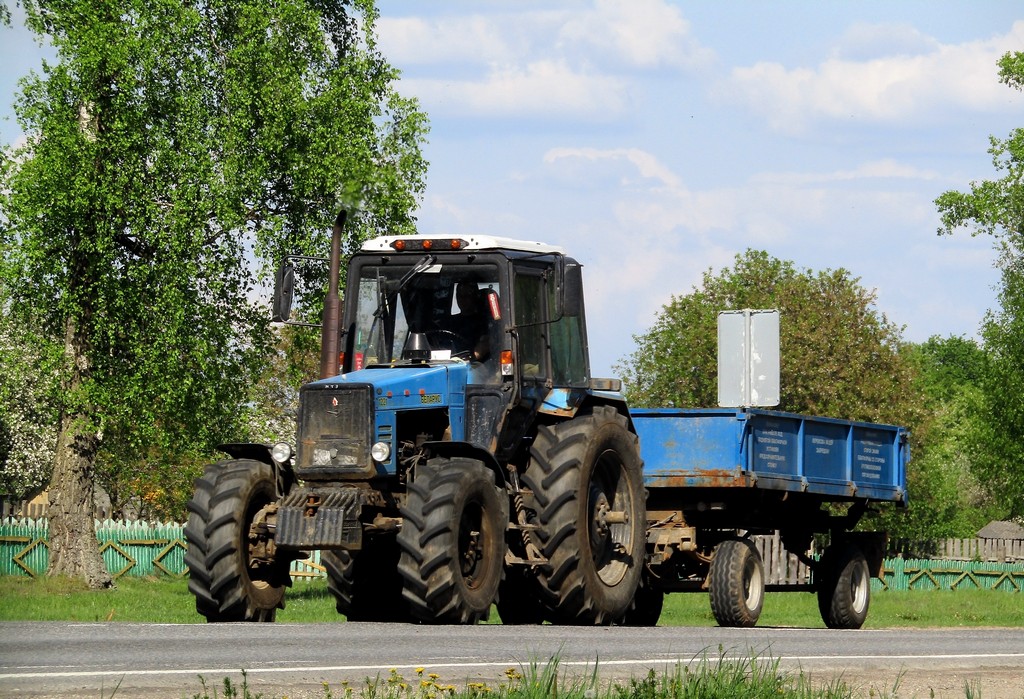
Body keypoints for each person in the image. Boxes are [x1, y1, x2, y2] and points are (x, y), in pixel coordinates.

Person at [452, 281, 493, 362]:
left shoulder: (484, 321)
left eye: (467, 296)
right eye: (460, 295)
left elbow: (486, 343)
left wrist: (472, 357)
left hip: (478, 365)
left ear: (475, 297)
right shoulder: (448, 321)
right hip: (448, 363)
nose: (462, 299)